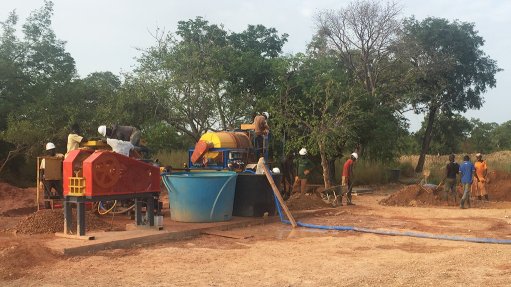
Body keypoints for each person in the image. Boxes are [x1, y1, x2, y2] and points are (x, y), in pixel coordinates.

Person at [40, 142, 64, 208]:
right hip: (47, 180)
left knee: (61, 192)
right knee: (46, 194)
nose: (52, 151)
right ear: (48, 151)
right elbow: (42, 171)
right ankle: (47, 208)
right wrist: (41, 181)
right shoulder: (44, 160)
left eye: (53, 149)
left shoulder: (59, 158)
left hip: (57, 179)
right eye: (50, 150)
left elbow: (62, 166)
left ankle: (66, 206)